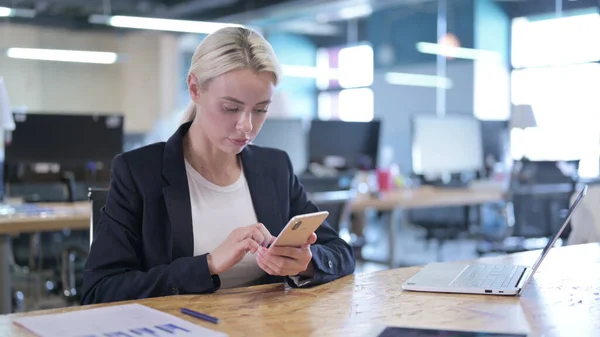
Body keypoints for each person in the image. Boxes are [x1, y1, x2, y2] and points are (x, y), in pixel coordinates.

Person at [81, 27, 356, 305]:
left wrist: (305, 264)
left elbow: (341, 253)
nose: (246, 126)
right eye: (230, 108)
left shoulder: (275, 167)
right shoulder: (138, 172)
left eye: (260, 109)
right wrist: (208, 265)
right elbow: (100, 290)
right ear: (194, 89)